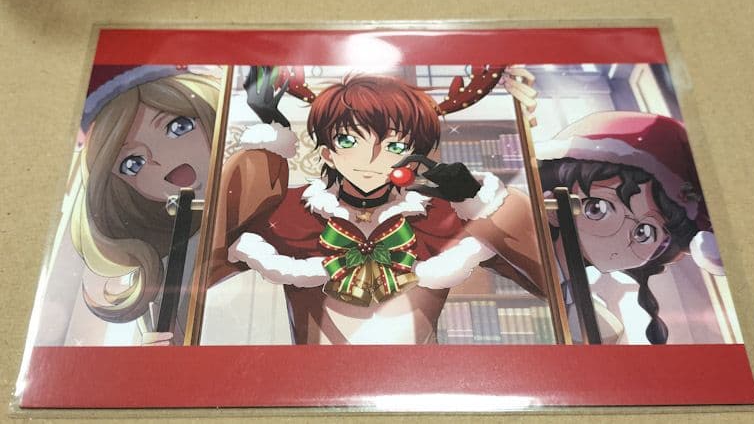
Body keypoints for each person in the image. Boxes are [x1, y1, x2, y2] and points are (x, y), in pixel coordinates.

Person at [205, 70, 546, 344]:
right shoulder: (294, 212)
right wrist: (267, 141)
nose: (370, 158)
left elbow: (545, 277)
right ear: (327, 153)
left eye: (394, 145)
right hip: (316, 383)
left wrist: (475, 196)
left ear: (415, 155)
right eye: (349, 140)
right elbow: (207, 265)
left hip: (419, 383)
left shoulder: (441, 215)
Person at [536, 111, 724, 344]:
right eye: (598, 208)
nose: (620, 238)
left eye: (644, 232)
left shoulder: (589, 314)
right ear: (552, 204)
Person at [70, 65, 220, 344]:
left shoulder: (261, 184)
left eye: (178, 127)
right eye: (133, 163)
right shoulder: (166, 270)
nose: (163, 161)